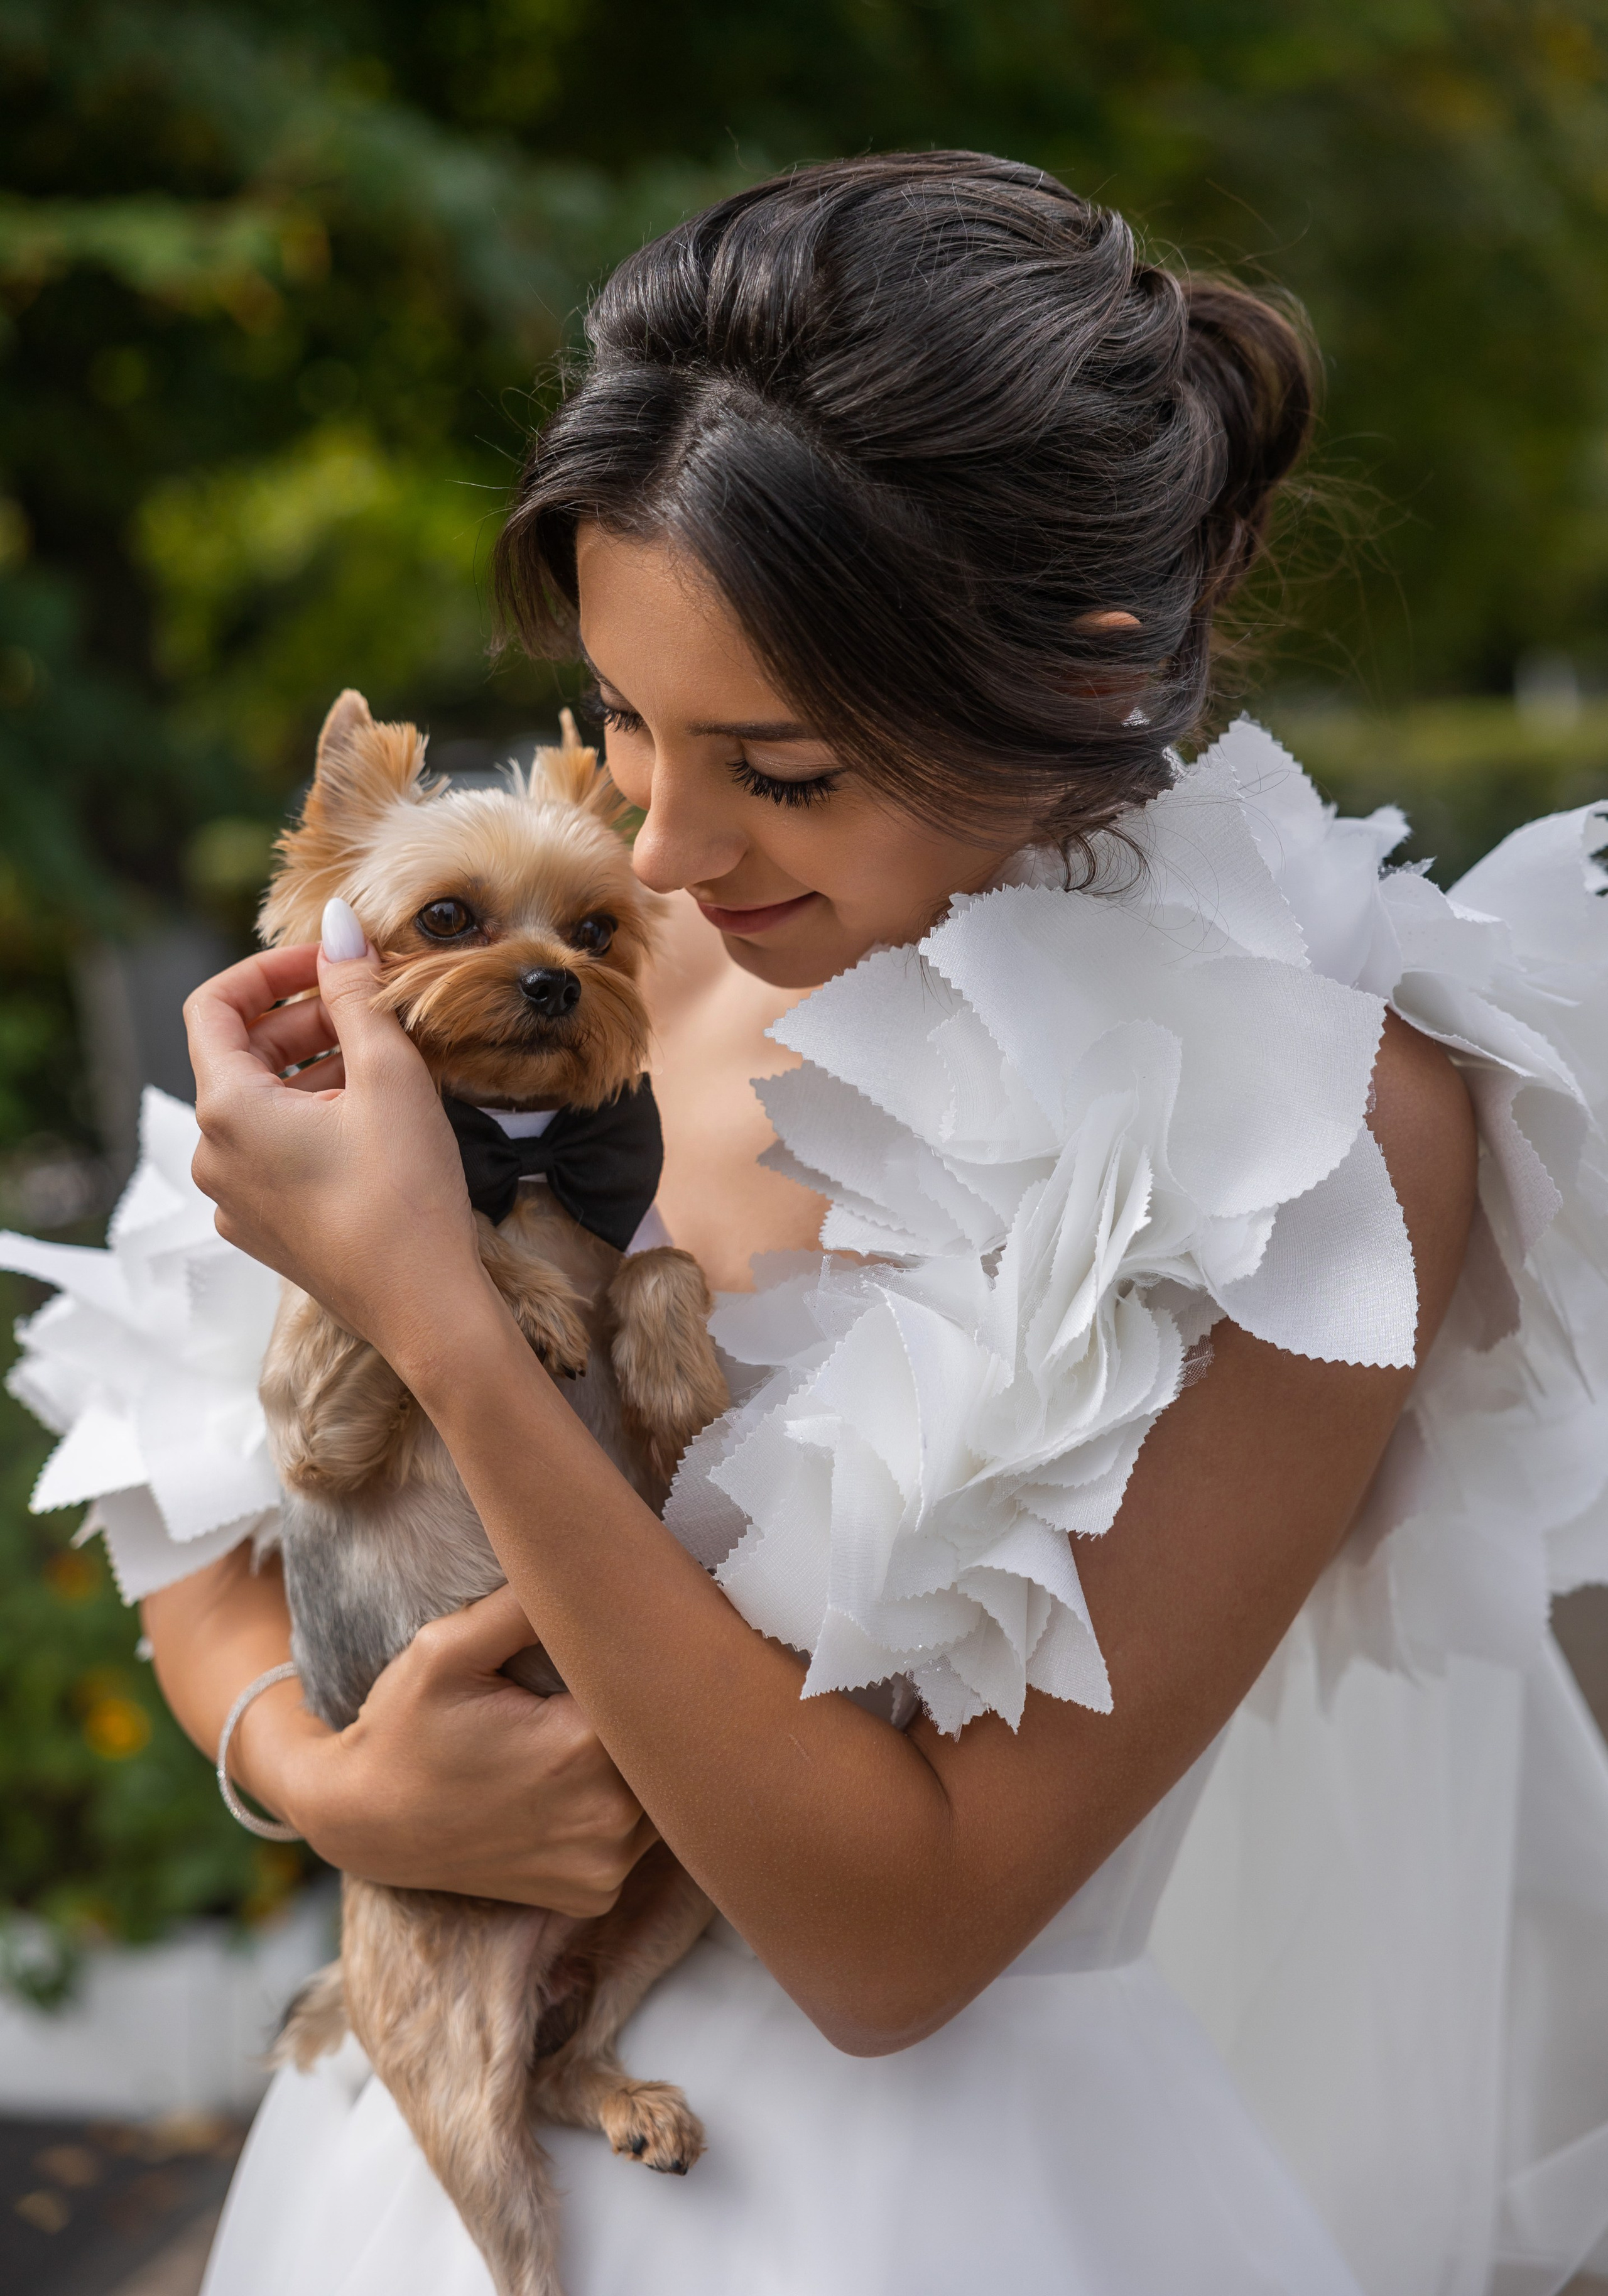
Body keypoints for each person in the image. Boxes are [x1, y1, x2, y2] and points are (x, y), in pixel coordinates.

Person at [14, 153, 1608, 2295]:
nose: (664, 840)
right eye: (635, 723)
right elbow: (183, 1453)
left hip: (934, 2216)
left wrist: (454, 1332)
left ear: (1084, 659)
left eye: (778, 764)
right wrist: (322, 1776)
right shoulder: (571, 946)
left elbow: (891, 1941)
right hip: (411, 2160)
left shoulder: (1327, 1129)